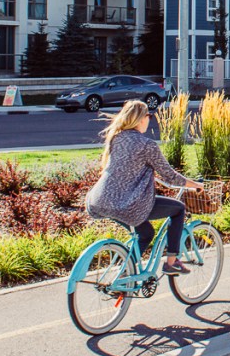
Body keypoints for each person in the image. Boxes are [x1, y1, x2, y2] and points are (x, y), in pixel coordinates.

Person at [85, 100, 201, 275]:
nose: (149, 119)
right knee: (178, 209)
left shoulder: (117, 138)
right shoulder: (147, 145)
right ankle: (171, 262)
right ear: (140, 119)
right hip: (126, 204)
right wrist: (196, 184)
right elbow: (170, 176)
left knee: (146, 233)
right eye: (149, 115)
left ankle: (126, 273)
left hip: (100, 201)